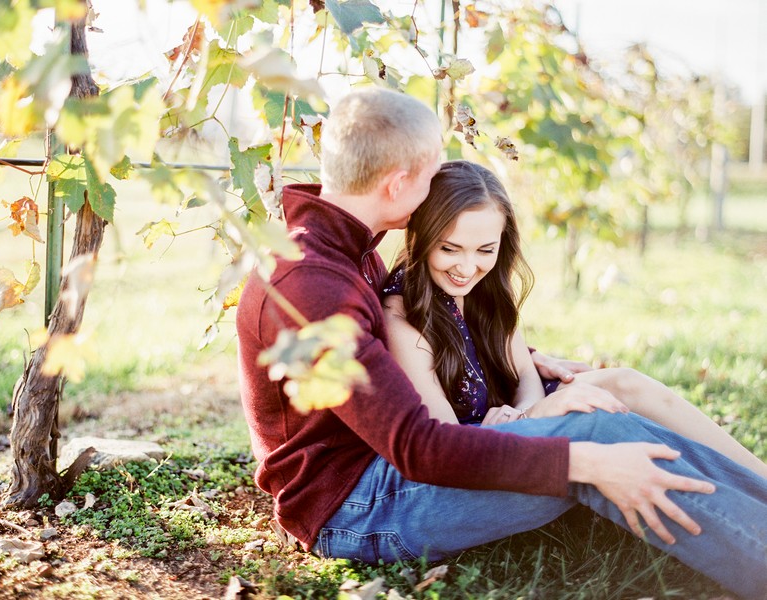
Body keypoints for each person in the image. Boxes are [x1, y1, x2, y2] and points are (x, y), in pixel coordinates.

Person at [236, 87, 767, 599]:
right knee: (600, 439)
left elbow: (391, 356)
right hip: (356, 505)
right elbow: (421, 448)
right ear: (398, 183)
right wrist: (584, 462)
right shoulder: (311, 283)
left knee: (603, 416)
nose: (433, 192)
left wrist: (531, 362)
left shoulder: (344, 253)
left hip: (387, 470)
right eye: (429, 177)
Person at [383, 159, 767, 480]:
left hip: (518, 421)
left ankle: (755, 476)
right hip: (482, 449)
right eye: (450, 249)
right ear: (422, 238)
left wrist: (528, 413)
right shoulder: (404, 317)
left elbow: (526, 376)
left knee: (623, 382)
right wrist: (530, 419)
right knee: (601, 417)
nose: (468, 267)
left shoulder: (486, 290)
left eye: (486, 249)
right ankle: (721, 486)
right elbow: (446, 440)